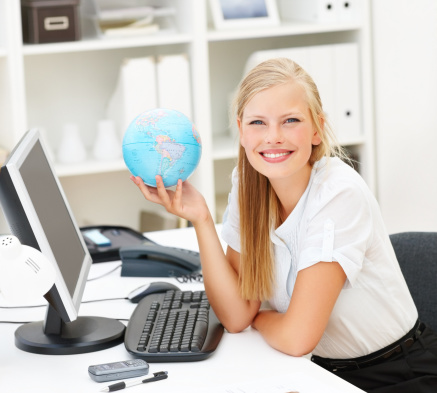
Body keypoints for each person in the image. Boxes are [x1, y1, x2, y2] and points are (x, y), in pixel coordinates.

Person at [130, 57, 437, 392]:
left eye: (290, 120)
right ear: (242, 131)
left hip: (400, 373)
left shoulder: (338, 194)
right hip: (322, 372)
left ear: (317, 128)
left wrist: (260, 317)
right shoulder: (249, 187)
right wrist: (201, 218)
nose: (273, 137)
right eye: (258, 123)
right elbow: (235, 316)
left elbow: (297, 337)